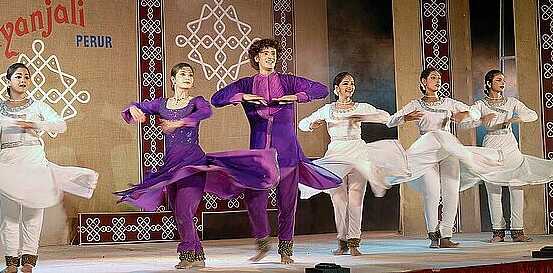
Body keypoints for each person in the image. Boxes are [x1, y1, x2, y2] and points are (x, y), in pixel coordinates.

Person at [116, 62, 278, 269]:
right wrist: (133, 108)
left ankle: (186, 254)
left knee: (184, 210)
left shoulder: (196, 101)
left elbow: (206, 112)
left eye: (190, 75)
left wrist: (181, 122)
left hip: (194, 164)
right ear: (173, 80)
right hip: (171, 167)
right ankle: (199, 255)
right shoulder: (162, 104)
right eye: (183, 74)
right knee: (179, 213)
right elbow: (136, 106)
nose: (187, 77)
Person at [0, 63, 99, 273]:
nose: (23, 81)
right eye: (19, 76)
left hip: (34, 162)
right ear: (8, 80)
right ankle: (11, 264)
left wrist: (36, 125)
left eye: (27, 77)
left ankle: (28, 262)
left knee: (33, 215)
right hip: (9, 162)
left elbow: (61, 124)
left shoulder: (37, 106)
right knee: (10, 216)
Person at [211, 38, 341, 264]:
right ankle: (262, 240)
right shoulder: (246, 83)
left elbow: (321, 89)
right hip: (260, 155)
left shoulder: (288, 81)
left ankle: (285, 250)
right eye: (265, 53)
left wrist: (296, 96)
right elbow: (217, 99)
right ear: (256, 58)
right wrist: (244, 97)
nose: (270, 56)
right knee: (254, 199)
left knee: (287, 201)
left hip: (287, 151)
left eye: (273, 53)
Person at [386, 67, 502, 248]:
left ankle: (446, 235)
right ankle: (433, 234)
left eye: (439, 78)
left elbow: (476, 112)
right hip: (427, 151)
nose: (437, 80)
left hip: (448, 148)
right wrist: (406, 118)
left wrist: (465, 114)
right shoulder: (415, 104)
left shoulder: (448, 102)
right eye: (433, 77)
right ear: (424, 81)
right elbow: (390, 120)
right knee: (431, 193)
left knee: (451, 191)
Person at [298, 72, 410, 256]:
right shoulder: (328, 109)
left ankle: (354, 242)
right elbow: (302, 123)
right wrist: (312, 124)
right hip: (336, 155)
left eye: (352, 83)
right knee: (339, 201)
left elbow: (385, 117)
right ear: (336, 88)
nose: (349, 86)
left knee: (356, 200)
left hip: (358, 153)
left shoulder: (361, 107)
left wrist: (367, 117)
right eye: (345, 83)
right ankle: (342, 240)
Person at [462, 70, 553, 242]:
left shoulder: (511, 102)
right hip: (491, 146)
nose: (502, 83)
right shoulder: (480, 104)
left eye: (503, 80)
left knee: (516, 187)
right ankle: (498, 231)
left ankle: (518, 231)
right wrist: (480, 120)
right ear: (489, 83)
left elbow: (532, 114)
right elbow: (467, 122)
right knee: (493, 190)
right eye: (498, 80)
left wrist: (517, 119)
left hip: (510, 147)